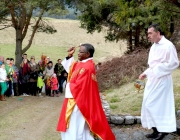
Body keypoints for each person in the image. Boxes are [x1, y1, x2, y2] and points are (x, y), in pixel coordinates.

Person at [56, 43, 115, 140]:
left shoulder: (88, 67)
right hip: (76, 100)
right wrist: (70, 55)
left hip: (78, 102)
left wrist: (68, 85)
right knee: (78, 128)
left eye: (80, 52)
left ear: (87, 54)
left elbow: (80, 87)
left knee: (75, 127)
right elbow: (71, 69)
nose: (78, 53)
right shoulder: (83, 64)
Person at [139, 24, 179, 140]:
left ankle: (163, 131)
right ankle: (155, 130)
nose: (148, 36)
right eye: (148, 34)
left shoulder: (168, 46)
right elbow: (152, 64)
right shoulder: (154, 46)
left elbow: (174, 63)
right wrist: (145, 72)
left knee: (157, 105)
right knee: (148, 104)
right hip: (152, 79)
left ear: (158, 33)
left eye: (150, 33)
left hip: (162, 79)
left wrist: (156, 71)